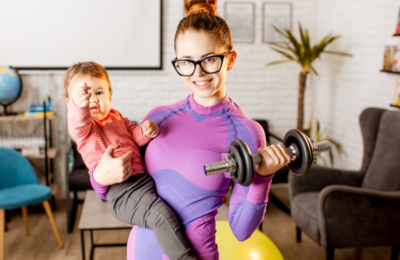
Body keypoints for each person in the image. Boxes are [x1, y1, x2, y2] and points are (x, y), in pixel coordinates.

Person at [91, 1, 291, 259]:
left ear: (230, 59)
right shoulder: (157, 119)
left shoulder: (246, 132)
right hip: (140, 252)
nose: (198, 72)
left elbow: (241, 231)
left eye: (209, 60)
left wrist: (262, 179)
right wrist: (100, 177)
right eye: (186, 62)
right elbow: (113, 191)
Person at [65, 62, 195, 260]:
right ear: (70, 102)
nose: (92, 99)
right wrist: (78, 106)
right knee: (160, 216)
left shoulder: (116, 117)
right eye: (85, 94)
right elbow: (77, 121)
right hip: (122, 191)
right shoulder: (85, 130)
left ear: (110, 95)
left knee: (176, 205)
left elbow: (133, 133)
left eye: (99, 93)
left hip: (142, 180)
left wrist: (144, 130)